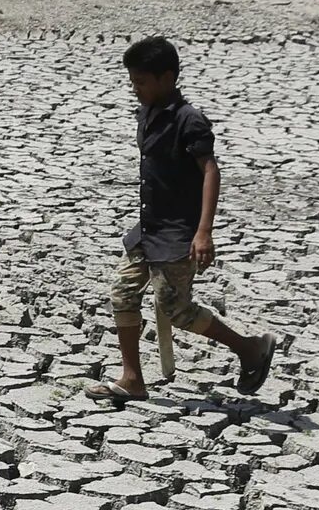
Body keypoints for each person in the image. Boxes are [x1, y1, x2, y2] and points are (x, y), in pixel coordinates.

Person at [90, 35, 279, 404]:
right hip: (148, 229)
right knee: (122, 293)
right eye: (132, 82)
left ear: (168, 77)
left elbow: (210, 170)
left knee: (176, 309)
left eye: (141, 82)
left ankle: (251, 349)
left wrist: (203, 232)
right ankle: (132, 379)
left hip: (178, 233)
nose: (135, 89)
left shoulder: (189, 120)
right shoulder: (148, 113)